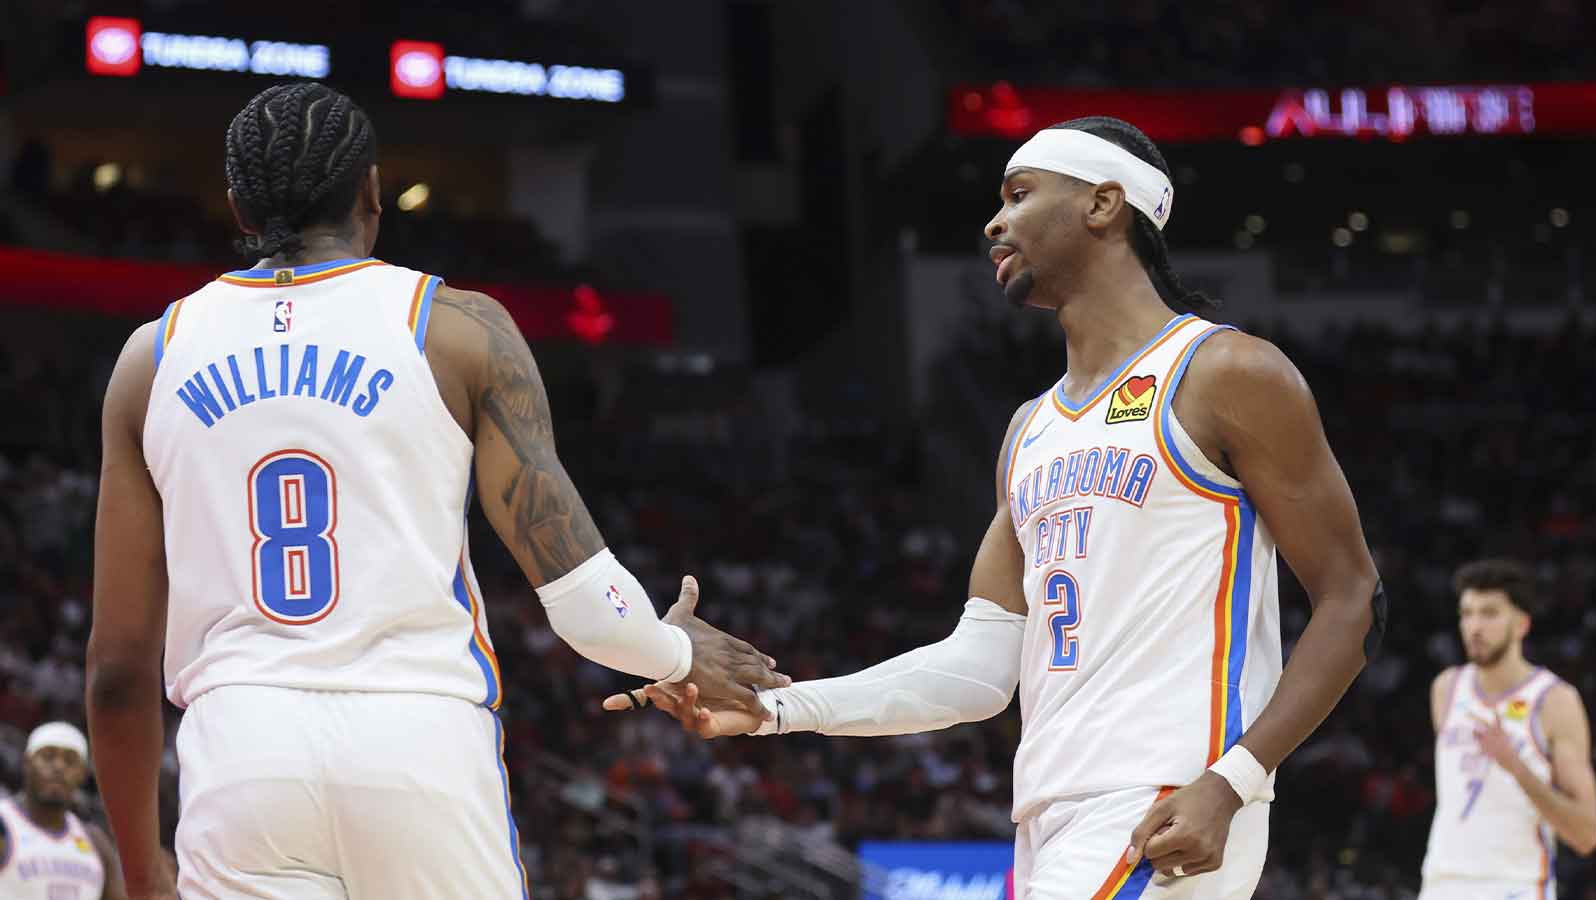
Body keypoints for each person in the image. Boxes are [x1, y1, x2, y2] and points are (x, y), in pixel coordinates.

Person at [610, 117, 1383, 899]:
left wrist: (1234, 780)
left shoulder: (1225, 371)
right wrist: (775, 708)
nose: (994, 222)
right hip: (1048, 809)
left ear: (1105, 204)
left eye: (1019, 195)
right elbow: (978, 669)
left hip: (1168, 795)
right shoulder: (1029, 431)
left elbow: (1352, 598)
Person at [85, 81, 784, 900]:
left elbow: (117, 670)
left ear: (238, 207)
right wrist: (674, 651)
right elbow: (587, 605)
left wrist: (142, 871)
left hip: (241, 751)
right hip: (417, 739)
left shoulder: (151, 359)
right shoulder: (458, 327)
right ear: (373, 192)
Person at [1420, 560, 1596, 899]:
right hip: (1441, 883)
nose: (1474, 626)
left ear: (1521, 624)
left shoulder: (1554, 701)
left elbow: (1586, 832)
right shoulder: (1446, 689)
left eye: (1489, 613)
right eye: (1467, 613)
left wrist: (1517, 767)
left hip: (1513, 885)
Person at [0, 722, 126, 900]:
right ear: (27, 763)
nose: (59, 767)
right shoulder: (4, 823)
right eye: (48, 756)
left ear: (82, 773)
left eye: (70, 760)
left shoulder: (96, 842)